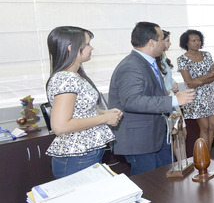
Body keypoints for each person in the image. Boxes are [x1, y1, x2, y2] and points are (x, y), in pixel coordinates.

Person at [109, 22, 195, 175]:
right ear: (152, 42)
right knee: (148, 182)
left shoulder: (148, 62)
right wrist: (174, 100)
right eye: (162, 39)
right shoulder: (131, 66)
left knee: (164, 179)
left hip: (156, 135)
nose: (165, 44)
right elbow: (131, 101)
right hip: (139, 140)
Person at [45, 26, 123, 178]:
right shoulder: (66, 78)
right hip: (77, 158)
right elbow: (60, 126)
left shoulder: (75, 75)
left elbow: (80, 110)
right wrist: (104, 118)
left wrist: (103, 112)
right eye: (87, 44)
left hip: (85, 155)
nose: (91, 47)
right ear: (71, 48)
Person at [178, 29, 214, 151]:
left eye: (198, 40)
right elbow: (190, 83)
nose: (197, 42)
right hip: (195, 97)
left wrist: (199, 81)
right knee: (205, 127)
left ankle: (207, 153)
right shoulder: (182, 59)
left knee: (213, 126)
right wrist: (208, 75)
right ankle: (203, 157)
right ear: (186, 43)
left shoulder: (207, 55)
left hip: (209, 94)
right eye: (194, 40)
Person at [158, 30, 180, 94]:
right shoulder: (154, 61)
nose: (170, 43)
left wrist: (173, 83)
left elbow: (166, 76)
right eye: (168, 41)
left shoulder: (163, 58)